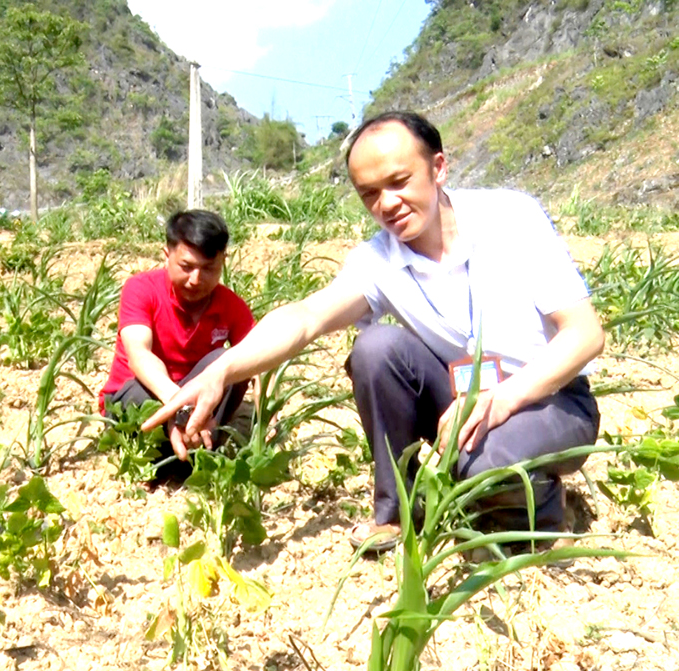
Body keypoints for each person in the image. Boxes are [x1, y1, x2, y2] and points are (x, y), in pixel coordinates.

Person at [145, 112, 603, 551]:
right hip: (460, 403)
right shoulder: (378, 260)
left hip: (550, 399)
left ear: (438, 167)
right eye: (369, 193)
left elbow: (584, 335)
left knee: (484, 463)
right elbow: (306, 317)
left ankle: (545, 516)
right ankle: (397, 512)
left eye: (399, 182)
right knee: (376, 347)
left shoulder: (510, 218)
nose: (386, 204)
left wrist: (503, 398)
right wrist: (221, 371)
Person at [101, 209, 255, 459]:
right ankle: (165, 452)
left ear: (222, 262)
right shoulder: (141, 289)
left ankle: (194, 449)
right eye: (186, 267)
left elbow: (260, 358)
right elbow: (139, 354)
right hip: (141, 395)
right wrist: (181, 406)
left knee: (228, 360)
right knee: (143, 396)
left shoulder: (231, 305)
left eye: (208, 268)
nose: (196, 279)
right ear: (166, 256)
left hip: (196, 409)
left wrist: (271, 414)